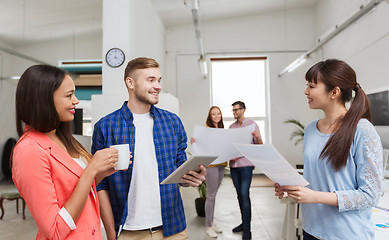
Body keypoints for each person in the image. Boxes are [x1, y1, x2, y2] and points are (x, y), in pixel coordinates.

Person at [93, 57, 206, 240]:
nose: (158, 86)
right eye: (151, 80)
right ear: (130, 82)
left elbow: (180, 171)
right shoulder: (106, 127)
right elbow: (100, 184)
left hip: (173, 228)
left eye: (159, 80)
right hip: (128, 231)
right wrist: (111, 232)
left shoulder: (172, 122)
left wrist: (192, 178)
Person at [274, 59, 383, 240]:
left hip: (347, 234)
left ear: (334, 92)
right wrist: (292, 189)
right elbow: (317, 179)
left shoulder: (362, 130)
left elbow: (370, 195)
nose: (306, 91)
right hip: (311, 229)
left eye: (312, 86)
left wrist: (314, 196)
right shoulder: (310, 130)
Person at [12, 65, 121, 239]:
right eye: (69, 95)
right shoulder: (28, 151)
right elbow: (55, 231)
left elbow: (72, 190)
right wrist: (91, 169)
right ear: (44, 100)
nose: (76, 101)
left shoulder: (63, 137)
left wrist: (99, 174)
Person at [190, 106, 226, 238]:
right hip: (212, 165)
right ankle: (208, 226)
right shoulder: (206, 129)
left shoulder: (221, 130)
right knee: (210, 195)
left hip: (222, 164)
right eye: (214, 114)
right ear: (210, 116)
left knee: (214, 194)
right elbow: (199, 142)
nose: (216, 116)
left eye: (218, 114)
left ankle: (211, 221)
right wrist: (194, 142)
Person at [229, 101, 263, 240]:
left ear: (243, 110)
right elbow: (229, 145)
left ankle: (247, 230)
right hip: (233, 166)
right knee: (239, 195)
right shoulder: (231, 127)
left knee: (244, 194)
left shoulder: (252, 124)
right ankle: (243, 223)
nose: (234, 112)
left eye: (236, 110)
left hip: (246, 165)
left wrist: (257, 137)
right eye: (233, 110)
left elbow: (259, 145)